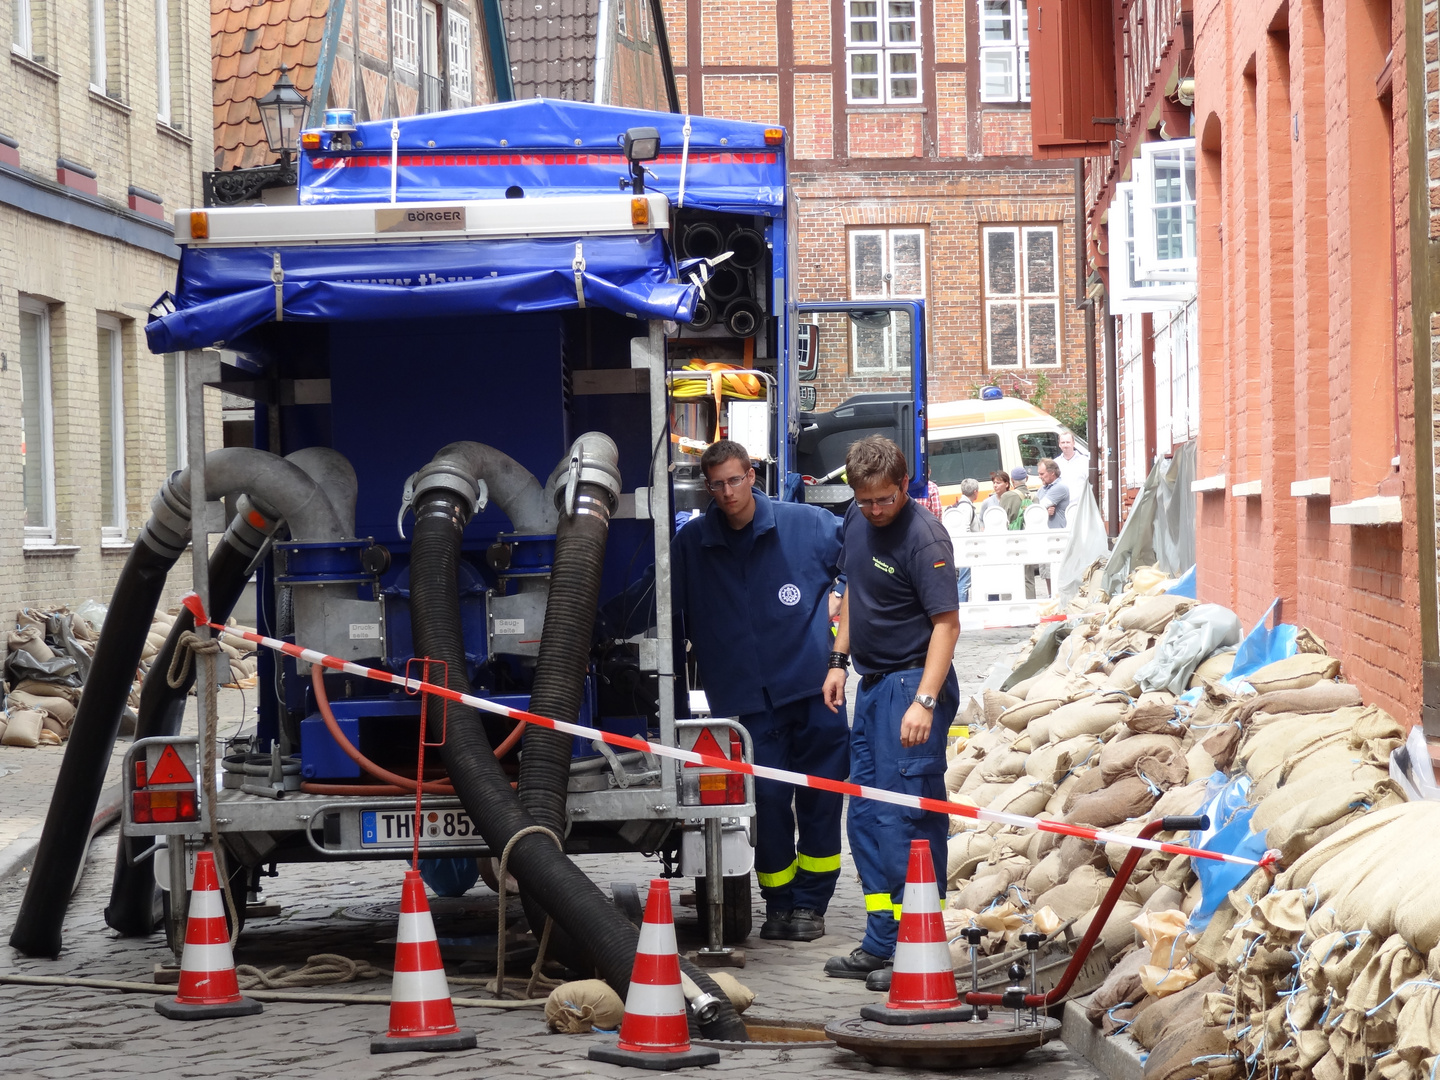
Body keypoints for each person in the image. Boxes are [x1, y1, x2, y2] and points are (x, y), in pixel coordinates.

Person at [672, 440, 850, 942]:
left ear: (752, 475)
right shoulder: (694, 545)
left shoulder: (806, 526)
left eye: (734, 479)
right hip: (745, 703)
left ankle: (812, 905)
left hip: (814, 692)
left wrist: (841, 631)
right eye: (716, 485)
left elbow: (858, 564)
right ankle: (778, 903)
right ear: (707, 487)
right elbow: (656, 602)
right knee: (767, 804)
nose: (727, 493)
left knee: (820, 799)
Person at [820, 436, 960, 980]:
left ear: (905, 485)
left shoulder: (925, 538)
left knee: (908, 817)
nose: (875, 510)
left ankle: (918, 947)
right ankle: (881, 941)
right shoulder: (857, 522)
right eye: (864, 500)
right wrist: (838, 658)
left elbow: (946, 624)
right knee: (868, 816)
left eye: (884, 499)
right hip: (872, 685)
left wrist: (924, 700)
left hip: (911, 686)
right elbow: (855, 589)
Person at [952, 478, 979, 602]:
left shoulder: (962, 505)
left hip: (964, 549)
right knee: (964, 583)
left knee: (963, 582)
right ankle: (962, 611)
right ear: (975, 492)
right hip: (967, 550)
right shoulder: (966, 507)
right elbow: (965, 529)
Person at [1036, 457, 1070, 529]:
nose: (1039, 477)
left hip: (1057, 534)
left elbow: (1038, 508)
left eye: (1042, 474)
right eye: (1039, 474)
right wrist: (1045, 512)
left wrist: (1042, 511)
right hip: (1043, 532)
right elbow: (1033, 509)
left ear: (1052, 473)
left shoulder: (1060, 487)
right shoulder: (1041, 489)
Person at [1056, 431, 1090, 501]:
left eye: (1068, 442)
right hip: (1061, 506)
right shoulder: (1055, 463)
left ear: (1073, 443)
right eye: (1063, 442)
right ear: (1059, 444)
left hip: (1080, 505)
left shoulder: (1085, 461)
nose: (1065, 445)